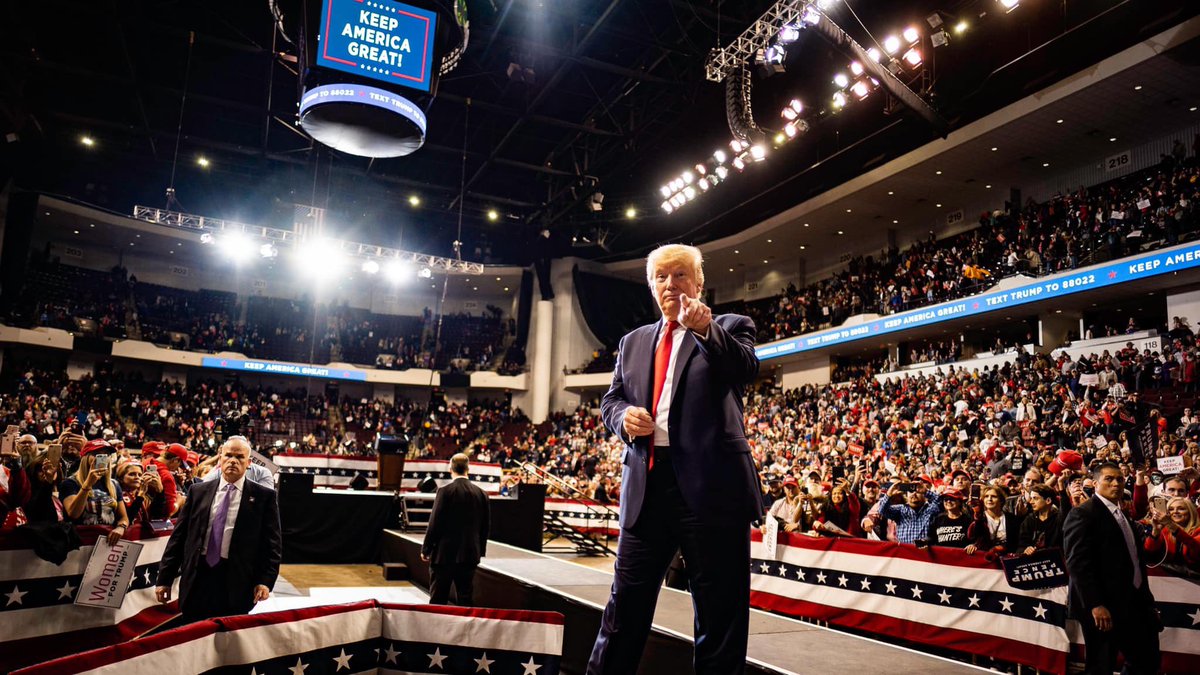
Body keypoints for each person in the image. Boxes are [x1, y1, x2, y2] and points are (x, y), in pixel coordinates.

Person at [588, 243, 760, 675]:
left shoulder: (730, 326)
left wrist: (705, 330)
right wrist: (622, 418)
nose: (670, 284)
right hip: (647, 488)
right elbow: (611, 400)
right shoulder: (632, 342)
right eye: (661, 277)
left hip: (713, 492)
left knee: (719, 616)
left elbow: (744, 370)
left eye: (680, 274)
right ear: (651, 286)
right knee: (624, 609)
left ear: (698, 282)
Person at [155, 437, 282, 621]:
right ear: (220, 458)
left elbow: (272, 544)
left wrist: (265, 581)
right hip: (197, 577)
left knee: (228, 634)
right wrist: (164, 579)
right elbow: (178, 538)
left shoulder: (264, 497)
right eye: (228, 455)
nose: (233, 461)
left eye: (239, 457)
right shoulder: (198, 491)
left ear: (249, 463)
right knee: (192, 631)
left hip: (237, 581)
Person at [1063, 462, 1161, 675]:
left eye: (1120, 479)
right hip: (1102, 606)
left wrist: (1146, 599)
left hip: (1133, 602)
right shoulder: (1082, 513)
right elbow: (1078, 563)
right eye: (1109, 479)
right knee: (1101, 666)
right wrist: (1095, 604)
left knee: (1146, 659)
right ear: (1095, 483)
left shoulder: (1122, 514)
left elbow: (1134, 559)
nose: (1116, 483)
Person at [420, 453, 490, 606]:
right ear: (468, 469)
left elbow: (435, 523)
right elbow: (485, 526)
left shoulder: (445, 491)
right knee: (465, 600)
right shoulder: (482, 494)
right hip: (470, 554)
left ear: (450, 469)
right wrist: (480, 550)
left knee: (438, 599)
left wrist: (426, 549)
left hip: (444, 555)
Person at [60, 439, 130, 545]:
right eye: (97, 454)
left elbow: (123, 517)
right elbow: (73, 514)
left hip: (106, 542)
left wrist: (121, 527)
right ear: (86, 457)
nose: (102, 458)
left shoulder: (113, 485)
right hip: (79, 543)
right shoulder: (70, 483)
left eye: (106, 455)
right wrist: (87, 484)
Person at [1144, 496, 1199, 573]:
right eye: (1171, 509)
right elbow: (1149, 552)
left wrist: (1171, 525)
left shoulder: (1198, 530)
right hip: (1167, 576)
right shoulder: (1165, 531)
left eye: (1181, 509)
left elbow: (1196, 549)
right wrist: (1155, 531)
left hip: (1194, 577)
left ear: (1191, 512)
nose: (1175, 511)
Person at [968, 485, 1022, 556]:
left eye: (993, 496)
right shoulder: (978, 518)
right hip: (985, 556)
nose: (989, 499)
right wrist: (972, 545)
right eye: (986, 496)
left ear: (1001, 500)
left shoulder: (1011, 518)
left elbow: (1016, 541)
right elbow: (974, 538)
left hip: (1006, 556)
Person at [1019, 484, 1065, 554]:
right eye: (1031, 498)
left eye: (1035, 498)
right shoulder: (1029, 520)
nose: (1031, 502)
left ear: (1048, 500)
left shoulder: (1059, 519)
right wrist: (1026, 549)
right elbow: (1021, 545)